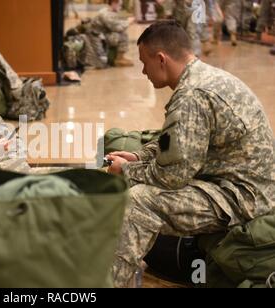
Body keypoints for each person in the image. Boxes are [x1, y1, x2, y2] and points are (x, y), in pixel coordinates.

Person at [106, 21, 274, 287]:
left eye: (144, 62)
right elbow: (173, 143)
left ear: (161, 59)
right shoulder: (202, 78)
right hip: (243, 184)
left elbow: (172, 176)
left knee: (138, 199)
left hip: (244, 197)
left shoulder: (191, 95)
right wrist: (139, 158)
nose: (143, 71)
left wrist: (125, 172)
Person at [91, 0, 134, 67]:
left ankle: (120, 56)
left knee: (120, 32)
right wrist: (128, 22)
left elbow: (117, 23)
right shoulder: (105, 14)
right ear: (114, 3)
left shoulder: (108, 11)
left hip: (102, 36)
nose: (120, 7)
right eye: (119, 5)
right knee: (121, 34)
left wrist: (125, 22)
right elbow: (116, 28)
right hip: (99, 38)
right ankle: (119, 59)